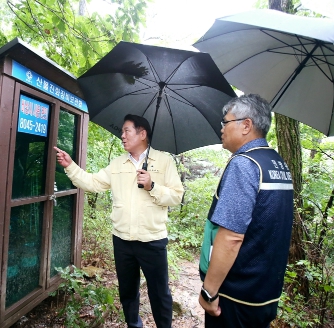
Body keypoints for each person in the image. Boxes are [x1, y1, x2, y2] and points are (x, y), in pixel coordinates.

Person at [54, 114, 184, 328]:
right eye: (122, 132)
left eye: (126, 131)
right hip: (122, 240)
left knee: (160, 293)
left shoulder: (163, 161)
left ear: (142, 134)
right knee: (127, 292)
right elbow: (93, 182)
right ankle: (134, 324)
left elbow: (177, 196)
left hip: (152, 240)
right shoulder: (117, 164)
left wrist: (153, 186)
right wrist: (71, 166)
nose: (122, 136)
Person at [198, 94, 294, 327]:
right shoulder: (278, 164)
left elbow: (231, 236)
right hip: (265, 294)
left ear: (246, 125)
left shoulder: (245, 163)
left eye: (226, 122)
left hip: (236, 297)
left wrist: (209, 292)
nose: (221, 128)